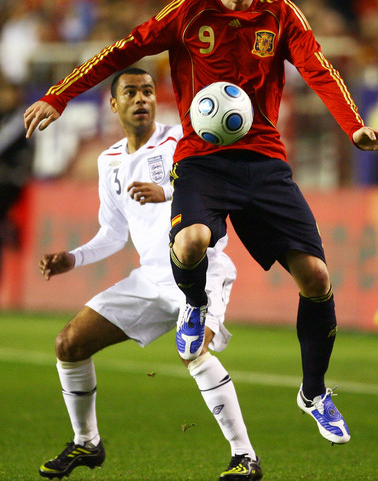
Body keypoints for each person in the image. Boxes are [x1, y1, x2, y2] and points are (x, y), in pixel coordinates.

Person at [24, 0, 378, 450]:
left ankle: (314, 392)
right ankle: (194, 306)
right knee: (191, 241)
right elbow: (124, 49)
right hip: (202, 159)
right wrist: (59, 95)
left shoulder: (281, 14)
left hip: (264, 162)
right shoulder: (189, 11)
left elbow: (319, 69)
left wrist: (355, 126)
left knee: (315, 277)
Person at [37, 68, 262, 481]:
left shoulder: (181, 140)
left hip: (199, 271)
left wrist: (172, 190)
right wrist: (73, 258)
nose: (141, 99)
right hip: (150, 279)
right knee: (68, 344)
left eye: (147, 91)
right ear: (114, 104)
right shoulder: (110, 162)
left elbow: (223, 187)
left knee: (192, 351)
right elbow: (113, 233)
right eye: (131, 92)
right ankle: (87, 442)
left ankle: (244, 456)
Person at [0, 78, 33, 272]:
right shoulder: (4, 116)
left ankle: (8, 229)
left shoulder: (20, 116)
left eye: (7, 93)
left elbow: (3, 142)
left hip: (13, 179)